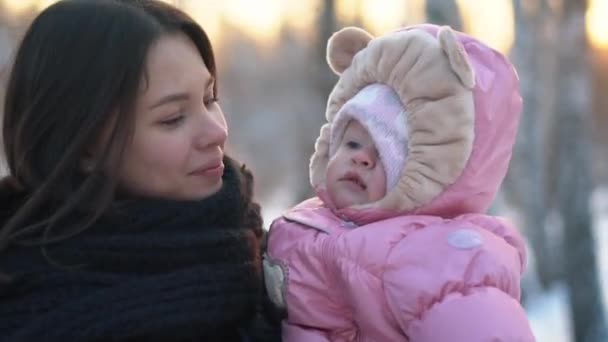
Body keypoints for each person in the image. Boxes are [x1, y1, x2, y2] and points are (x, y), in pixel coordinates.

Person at [0, 1, 280, 340]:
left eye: (209, 98)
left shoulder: (282, 259)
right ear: (84, 146)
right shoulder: (30, 303)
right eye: (173, 118)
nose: (217, 132)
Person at [264, 24, 536, 341]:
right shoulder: (305, 220)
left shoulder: (441, 259)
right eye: (351, 143)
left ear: (428, 170)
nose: (361, 158)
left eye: (384, 152)